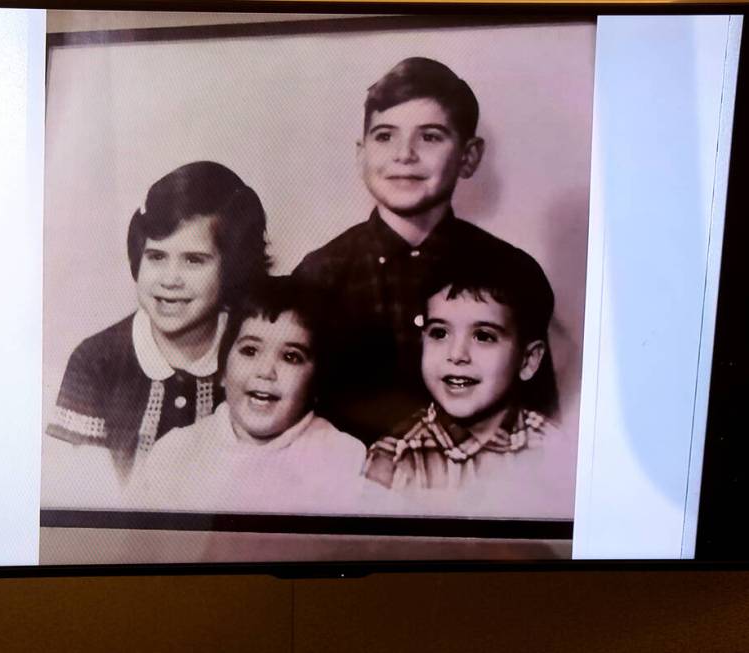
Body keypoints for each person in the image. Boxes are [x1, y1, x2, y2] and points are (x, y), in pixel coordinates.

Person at [292, 56, 532, 445]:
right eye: (385, 136)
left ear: (469, 157)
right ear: (361, 153)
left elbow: (537, 425)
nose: (405, 154)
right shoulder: (319, 275)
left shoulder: (512, 273)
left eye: (430, 136)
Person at [46, 161, 270, 487]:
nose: (169, 279)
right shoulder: (97, 361)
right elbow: (79, 492)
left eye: (194, 260)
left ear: (233, 269)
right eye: (156, 256)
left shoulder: (252, 355)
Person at [362, 247, 576, 519]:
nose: (456, 354)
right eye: (439, 333)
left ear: (528, 360)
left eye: (484, 336)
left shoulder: (556, 451)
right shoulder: (393, 460)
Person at [128, 276, 366, 514]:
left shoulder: (342, 459)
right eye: (250, 350)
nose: (265, 371)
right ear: (223, 371)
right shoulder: (175, 453)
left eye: (291, 357)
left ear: (316, 382)